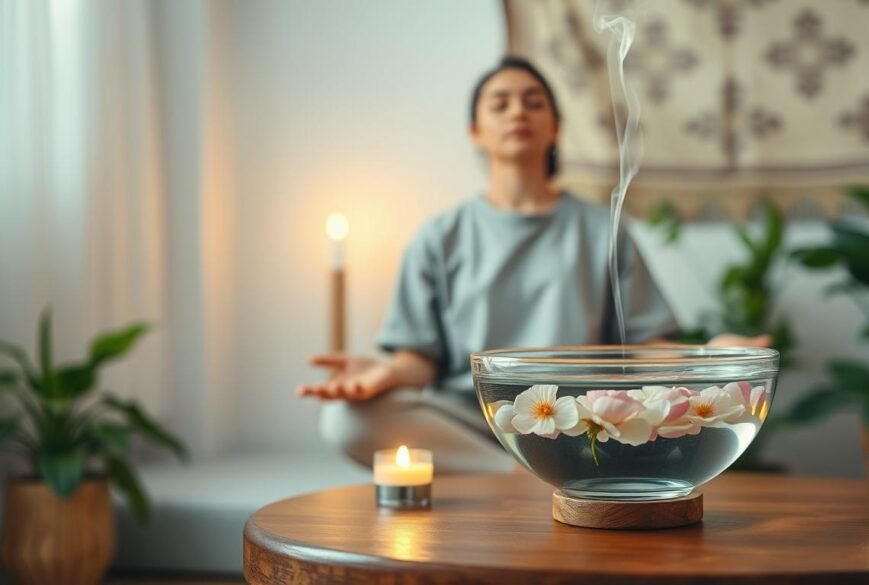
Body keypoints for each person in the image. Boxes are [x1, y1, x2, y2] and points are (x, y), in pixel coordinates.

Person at [297, 57, 769, 473]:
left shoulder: (601, 229)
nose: (517, 111)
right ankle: (518, 479)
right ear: (475, 131)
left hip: (578, 425)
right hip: (471, 422)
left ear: (556, 126)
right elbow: (419, 360)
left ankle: (545, 472)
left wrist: (709, 354)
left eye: (533, 102)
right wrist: (387, 373)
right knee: (347, 419)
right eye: (499, 104)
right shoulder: (440, 236)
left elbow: (642, 348)